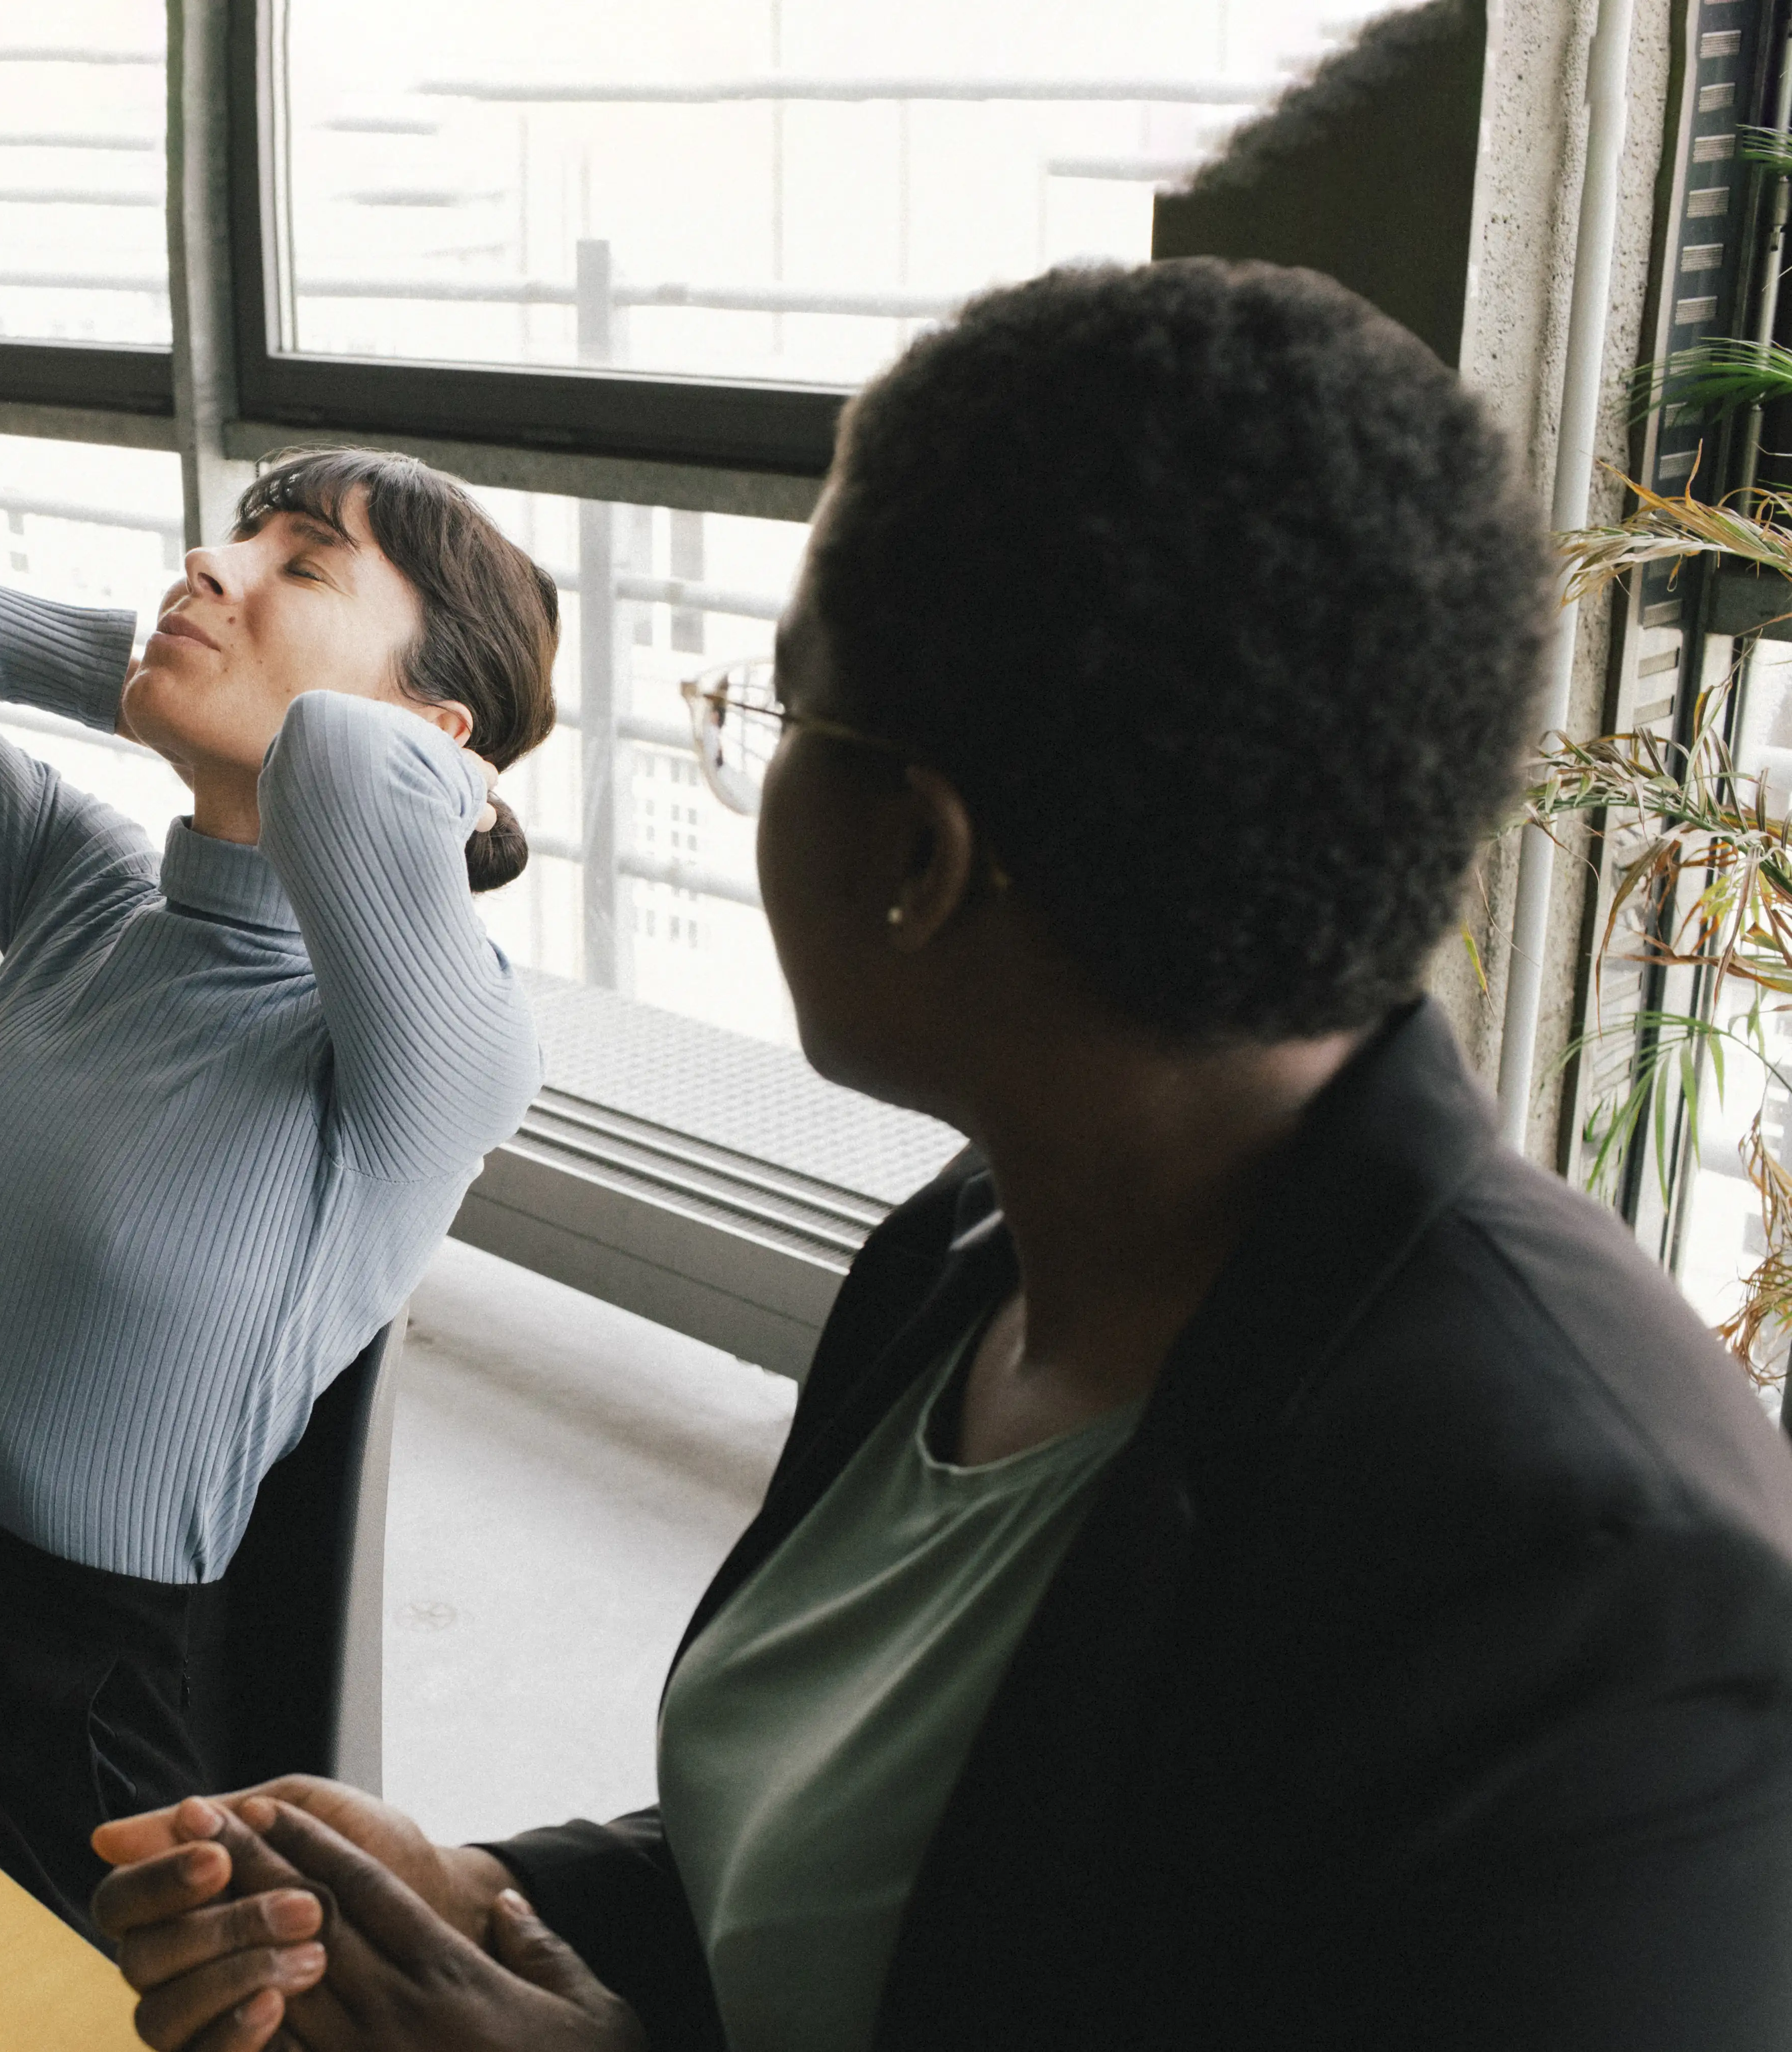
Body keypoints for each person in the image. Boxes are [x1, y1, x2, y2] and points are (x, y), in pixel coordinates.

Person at [86, 260, 1792, 2050]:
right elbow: (886, 1880)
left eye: (772, 713)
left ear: (919, 852)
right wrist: (499, 1905)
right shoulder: (982, 1243)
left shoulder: (1590, 1596)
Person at [0, 447, 558, 1933]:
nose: (211, 564)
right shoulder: (81, 889)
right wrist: (153, 656)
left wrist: (432, 769)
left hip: (52, 1748)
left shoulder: (424, 1052)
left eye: (302, 564)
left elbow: (347, 766)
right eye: (231, 538)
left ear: (437, 729)